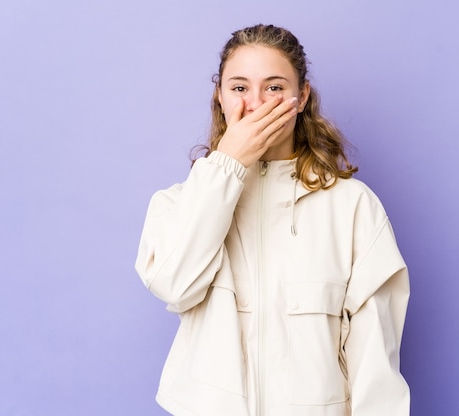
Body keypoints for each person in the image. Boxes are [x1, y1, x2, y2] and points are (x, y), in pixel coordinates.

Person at [135, 24, 410, 416]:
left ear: (302, 98)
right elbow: (174, 285)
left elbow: (376, 367)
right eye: (240, 88)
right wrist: (228, 165)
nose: (257, 105)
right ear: (220, 96)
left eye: (275, 88)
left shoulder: (353, 207)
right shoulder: (178, 204)